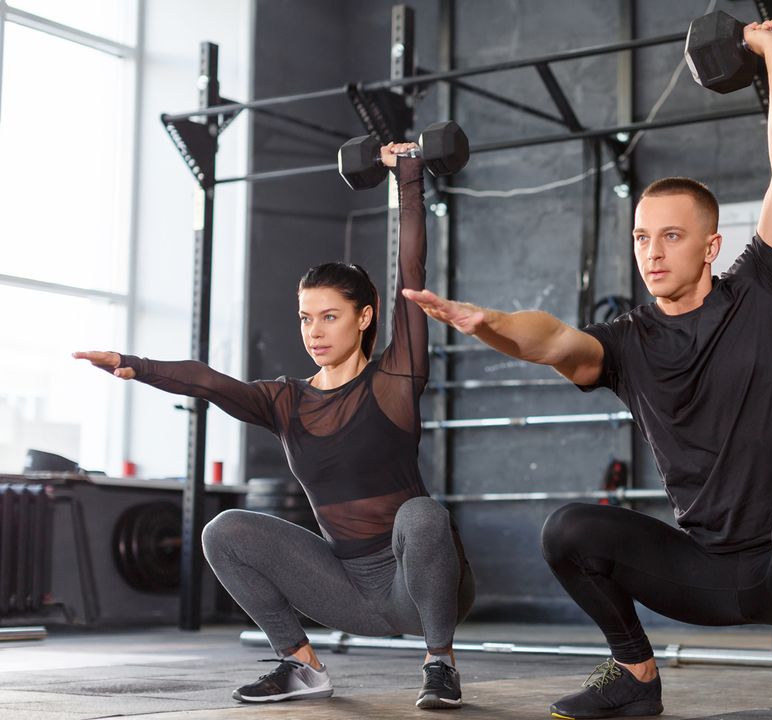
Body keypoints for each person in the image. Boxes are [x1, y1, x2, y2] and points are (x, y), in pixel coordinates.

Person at [404, 19, 772, 720]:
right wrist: (492, 324)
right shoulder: (625, 340)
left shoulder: (762, 289)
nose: (652, 252)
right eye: (641, 237)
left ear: (712, 246)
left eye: (672, 237)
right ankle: (636, 674)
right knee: (568, 529)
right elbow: (556, 342)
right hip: (702, 573)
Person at [75, 145, 474, 711]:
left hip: (422, 588)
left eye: (330, 316)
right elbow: (209, 382)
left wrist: (408, 175)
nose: (314, 330)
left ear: (366, 316)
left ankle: (440, 664)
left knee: (423, 514)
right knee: (224, 530)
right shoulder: (287, 400)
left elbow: (413, 271)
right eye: (306, 317)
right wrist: (136, 365)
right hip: (347, 590)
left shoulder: (396, 378)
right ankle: (301, 665)